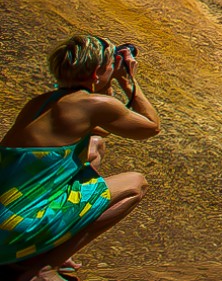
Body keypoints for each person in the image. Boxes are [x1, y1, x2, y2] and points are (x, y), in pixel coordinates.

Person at [1, 36, 160, 281]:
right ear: (96, 72)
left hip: (5, 224)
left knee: (94, 147)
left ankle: (41, 251)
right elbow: (150, 127)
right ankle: (43, 267)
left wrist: (104, 82)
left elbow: (101, 130)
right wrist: (128, 81)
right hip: (18, 233)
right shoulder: (93, 105)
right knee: (135, 184)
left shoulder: (39, 104)